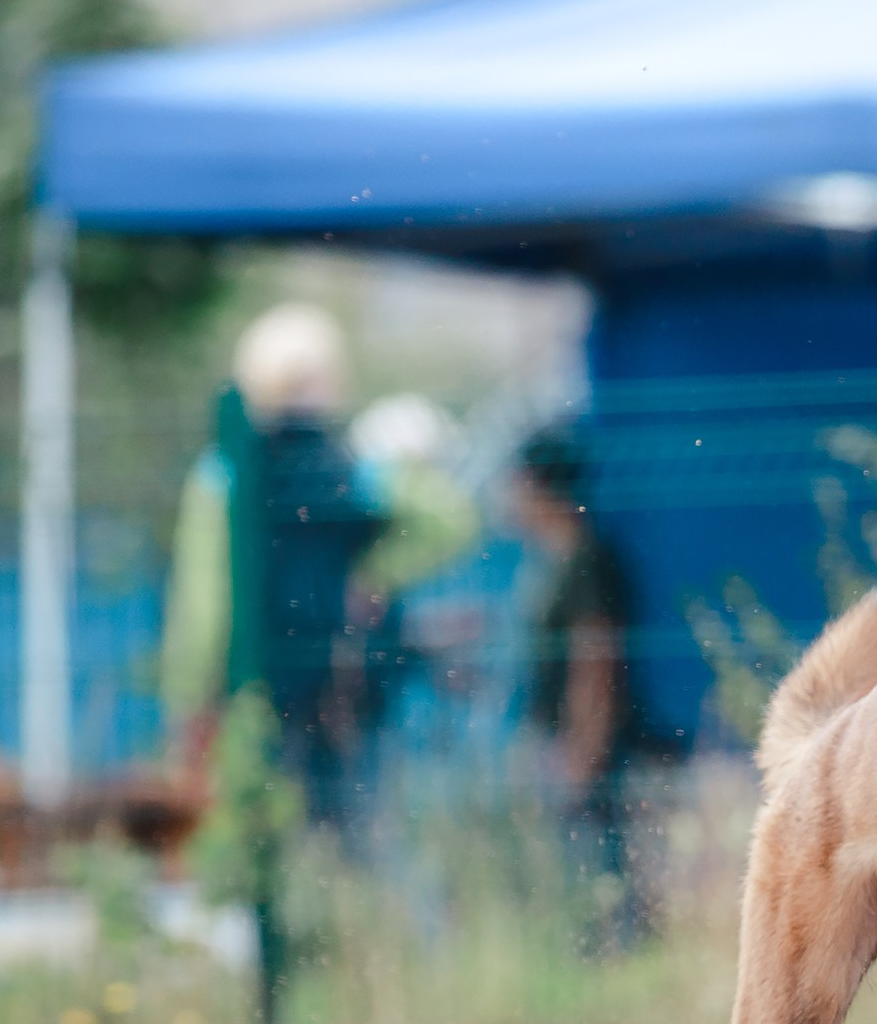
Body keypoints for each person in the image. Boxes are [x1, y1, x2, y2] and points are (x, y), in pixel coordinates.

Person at [162, 309, 475, 823]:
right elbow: (451, 518)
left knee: (260, 828)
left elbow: (205, 603)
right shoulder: (356, 470)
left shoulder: (223, 479)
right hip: (344, 686)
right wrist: (374, 573)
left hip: (255, 689)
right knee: (349, 825)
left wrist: (189, 697)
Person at [512, 428, 649, 950]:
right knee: (578, 862)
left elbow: (596, 661)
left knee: (598, 861)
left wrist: (583, 747)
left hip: (585, 745)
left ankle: (614, 952)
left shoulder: (584, 559)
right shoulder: (553, 560)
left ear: (538, 486)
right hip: (559, 740)